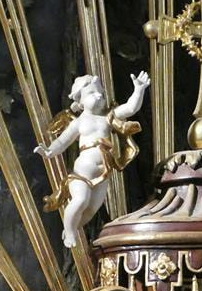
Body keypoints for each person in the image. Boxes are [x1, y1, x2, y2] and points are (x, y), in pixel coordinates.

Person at [35, 71, 150, 247]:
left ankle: (72, 227)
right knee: (81, 199)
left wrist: (139, 90)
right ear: (79, 102)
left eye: (101, 93)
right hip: (83, 170)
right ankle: (70, 231)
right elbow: (63, 141)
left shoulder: (108, 117)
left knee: (90, 210)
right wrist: (50, 151)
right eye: (91, 93)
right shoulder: (79, 122)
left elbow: (130, 108)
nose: (98, 96)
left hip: (104, 171)